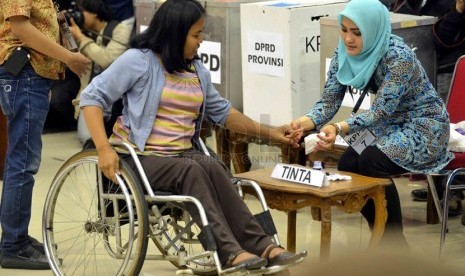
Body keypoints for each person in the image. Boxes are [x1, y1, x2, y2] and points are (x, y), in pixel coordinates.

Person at [79, 0, 302, 270]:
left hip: (181, 156)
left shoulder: (196, 70)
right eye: (196, 35)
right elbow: (91, 97)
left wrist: (273, 134)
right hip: (139, 158)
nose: (201, 41)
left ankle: (262, 245)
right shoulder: (139, 61)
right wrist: (103, 149)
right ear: (175, 33)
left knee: (215, 167)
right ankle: (228, 252)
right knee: (191, 169)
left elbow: (223, 113)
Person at [291, 0, 453, 247]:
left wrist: (338, 128)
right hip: (388, 125)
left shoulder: (399, 56)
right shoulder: (343, 51)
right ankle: (381, 231)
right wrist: (303, 123)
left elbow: (380, 111)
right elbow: (329, 100)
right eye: (344, 30)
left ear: (373, 30)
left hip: (424, 125)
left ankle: (391, 242)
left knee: (370, 160)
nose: (348, 39)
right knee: (348, 163)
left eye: (357, 33)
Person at [0, 0, 91, 270]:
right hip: (24, 74)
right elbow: (20, 27)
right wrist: (68, 57)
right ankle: (13, 246)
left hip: (31, 76)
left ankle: (15, 237)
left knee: (22, 162)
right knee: (22, 164)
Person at [68, 0, 132, 145]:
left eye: (81, 11)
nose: (79, 15)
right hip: (90, 96)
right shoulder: (83, 32)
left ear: (95, 13)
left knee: (93, 141)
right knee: (86, 139)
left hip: (114, 100)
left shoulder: (120, 29)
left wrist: (81, 38)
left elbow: (107, 60)